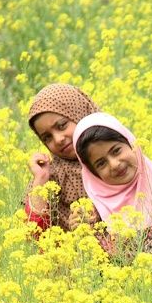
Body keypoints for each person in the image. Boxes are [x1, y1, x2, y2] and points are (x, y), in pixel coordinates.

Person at [72, 112, 152, 272]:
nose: (115, 164)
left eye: (116, 151)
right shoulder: (94, 217)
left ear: (131, 145)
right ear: (94, 174)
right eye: (101, 163)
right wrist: (81, 234)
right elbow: (93, 275)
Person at [23, 83, 100, 231]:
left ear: (80, 113)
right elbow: (33, 233)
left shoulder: (115, 154)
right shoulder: (52, 177)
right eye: (47, 137)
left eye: (62, 125)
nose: (58, 139)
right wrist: (40, 178)